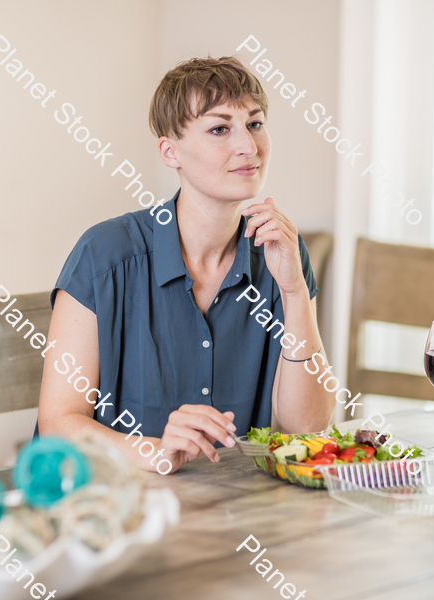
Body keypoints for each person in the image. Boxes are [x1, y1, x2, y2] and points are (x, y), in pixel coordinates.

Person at [37, 56, 335, 474]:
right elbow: (58, 425)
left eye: (255, 123)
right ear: (170, 151)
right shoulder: (105, 255)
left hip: (234, 516)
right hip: (114, 511)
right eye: (219, 129)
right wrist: (155, 451)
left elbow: (306, 430)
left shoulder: (281, 252)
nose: (249, 146)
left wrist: (294, 292)